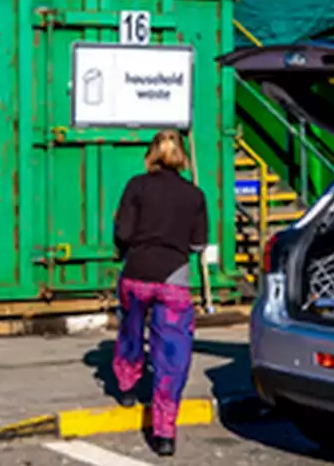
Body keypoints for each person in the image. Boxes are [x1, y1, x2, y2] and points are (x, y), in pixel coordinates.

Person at [112, 129, 208, 458]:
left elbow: (123, 231)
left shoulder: (136, 186)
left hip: (136, 273)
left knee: (130, 331)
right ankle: (165, 433)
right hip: (173, 280)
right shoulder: (194, 195)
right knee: (172, 355)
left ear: (151, 154)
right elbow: (197, 245)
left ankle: (126, 386)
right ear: (182, 156)